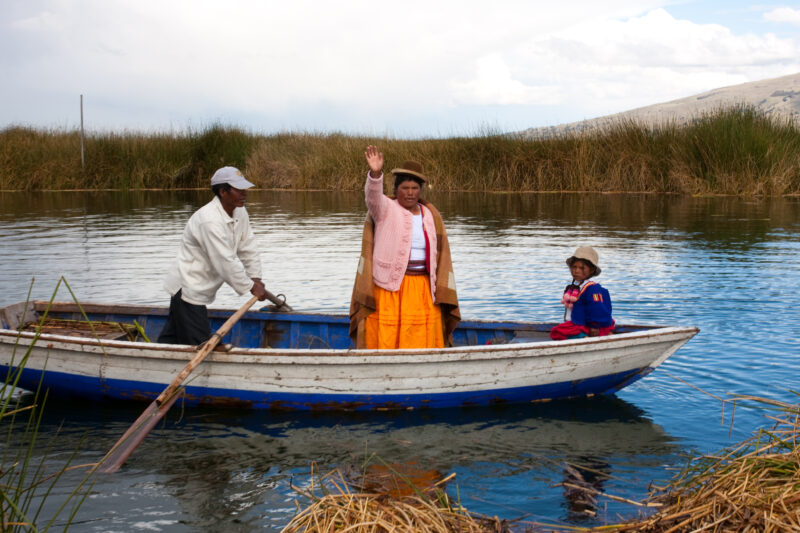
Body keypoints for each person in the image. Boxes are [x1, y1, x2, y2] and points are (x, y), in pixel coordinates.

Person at [349, 145, 460, 349]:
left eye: (414, 188)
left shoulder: (429, 214)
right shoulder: (385, 209)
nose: (410, 193)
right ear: (396, 190)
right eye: (405, 188)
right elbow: (372, 197)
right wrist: (375, 174)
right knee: (387, 333)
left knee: (420, 334)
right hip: (390, 286)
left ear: (420, 190)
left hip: (423, 287)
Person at [158, 166, 269, 346]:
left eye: (244, 189)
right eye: (238, 190)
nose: (244, 194)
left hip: (200, 286)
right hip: (188, 287)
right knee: (200, 343)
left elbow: (248, 246)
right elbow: (224, 261)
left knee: (171, 339)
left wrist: (255, 277)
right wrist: (250, 286)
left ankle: (155, 363)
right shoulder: (209, 220)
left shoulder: (239, 211)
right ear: (223, 192)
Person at [550, 246, 614, 340]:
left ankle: (583, 337)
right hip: (577, 323)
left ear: (591, 270)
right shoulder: (576, 286)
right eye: (574, 267)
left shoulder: (592, 288)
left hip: (584, 325)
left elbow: (597, 307)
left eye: (581, 268)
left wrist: (594, 325)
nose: (576, 271)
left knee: (557, 332)